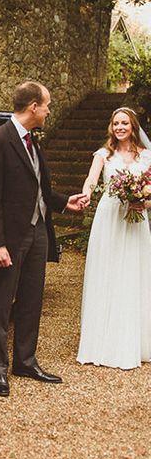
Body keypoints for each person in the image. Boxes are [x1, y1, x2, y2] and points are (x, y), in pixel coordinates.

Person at [0, 81, 87, 397]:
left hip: (39, 231)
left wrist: (66, 202)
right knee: (1, 303)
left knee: (31, 299)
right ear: (33, 107)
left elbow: (38, 189)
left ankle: (25, 361)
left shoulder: (33, 143)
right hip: (9, 237)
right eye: (47, 105)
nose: (50, 110)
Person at [77, 107, 151, 369]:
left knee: (133, 272)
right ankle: (102, 340)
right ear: (111, 127)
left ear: (133, 126)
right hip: (109, 216)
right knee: (107, 272)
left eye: (125, 123)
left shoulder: (146, 156)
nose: (120, 127)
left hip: (135, 221)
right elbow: (90, 181)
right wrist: (85, 195)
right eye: (116, 123)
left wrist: (144, 201)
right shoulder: (103, 155)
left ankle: (134, 341)